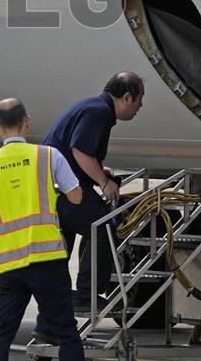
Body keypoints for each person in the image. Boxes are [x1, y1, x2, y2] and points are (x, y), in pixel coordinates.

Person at [0, 97, 103, 361]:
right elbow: (75, 196)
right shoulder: (47, 156)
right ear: (27, 122)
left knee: (2, 331)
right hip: (46, 259)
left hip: (9, 264)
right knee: (65, 331)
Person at [37, 72, 144, 329]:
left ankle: (56, 303)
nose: (141, 106)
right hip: (66, 189)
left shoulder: (91, 106)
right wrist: (104, 183)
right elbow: (80, 150)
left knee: (65, 242)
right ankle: (85, 294)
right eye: (140, 99)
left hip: (55, 188)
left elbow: (78, 152)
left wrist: (99, 172)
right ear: (126, 97)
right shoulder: (99, 112)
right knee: (105, 228)